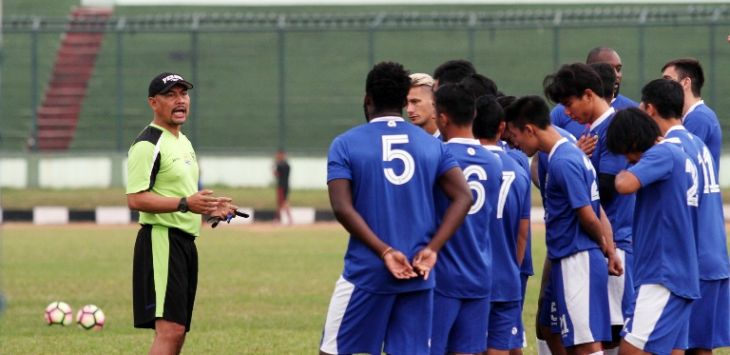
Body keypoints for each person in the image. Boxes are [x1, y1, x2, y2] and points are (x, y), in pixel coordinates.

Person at [319, 62, 472, 355]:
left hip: (367, 270)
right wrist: (433, 248)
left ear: (368, 99)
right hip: (418, 270)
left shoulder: (345, 144)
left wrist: (385, 252)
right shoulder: (431, 145)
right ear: (404, 101)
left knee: (333, 349)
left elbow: (341, 206)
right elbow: (464, 197)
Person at [127, 72, 239, 355]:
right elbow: (136, 198)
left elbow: (184, 196)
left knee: (178, 332)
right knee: (169, 331)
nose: (180, 101)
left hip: (186, 243)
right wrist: (185, 204)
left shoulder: (183, 141)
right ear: (153, 102)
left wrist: (213, 209)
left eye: (183, 94)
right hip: (162, 240)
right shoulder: (147, 144)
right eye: (170, 95)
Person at [504, 95, 621, 355]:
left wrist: (605, 249)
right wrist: (609, 249)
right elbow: (598, 209)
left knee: (586, 343)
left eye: (515, 135)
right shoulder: (570, 152)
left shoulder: (563, 160)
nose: (515, 144)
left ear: (530, 129)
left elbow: (589, 215)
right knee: (559, 331)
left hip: (577, 257)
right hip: (571, 257)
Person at [544, 63, 636, 353]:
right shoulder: (590, 131)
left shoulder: (614, 128)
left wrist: (577, 165)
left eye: (569, 104)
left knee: (611, 333)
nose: (567, 113)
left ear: (588, 94)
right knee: (580, 330)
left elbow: (609, 187)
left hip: (613, 240)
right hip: (593, 242)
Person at [638, 79, 730, 355]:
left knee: (674, 345)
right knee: (697, 345)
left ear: (651, 108)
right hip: (713, 255)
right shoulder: (697, 143)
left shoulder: (674, 145)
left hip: (694, 259)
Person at [605, 108, 700, 355]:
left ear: (634, 141)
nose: (628, 160)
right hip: (675, 272)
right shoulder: (674, 153)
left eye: (626, 153)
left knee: (631, 349)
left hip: (663, 273)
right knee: (672, 350)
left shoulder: (661, 153)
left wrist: (621, 172)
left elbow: (625, 185)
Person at [428, 84, 502, 355]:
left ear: (443, 117)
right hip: (480, 272)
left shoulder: (438, 156)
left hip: (443, 274)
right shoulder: (494, 162)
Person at [473, 95, 531, 355]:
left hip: (469, 277)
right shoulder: (519, 168)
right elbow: (522, 232)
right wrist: (512, 268)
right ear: (501, 128)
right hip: (506, 278)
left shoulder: (461, 164)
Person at [550, 47, 638, 142]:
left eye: (618, 69)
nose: (616, 75)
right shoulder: (560, 112)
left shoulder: (633, 112)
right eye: (608, 69)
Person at [661, 57, 722, 167]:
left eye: (668, 80)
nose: (662, 86)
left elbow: (680, 161)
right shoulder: (693, 115)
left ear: (685, 83)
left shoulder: (698, 117)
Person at [407, 73, 441, 138]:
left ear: (434, 102)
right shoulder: (407, 142)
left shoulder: (451, 142)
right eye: (406, 103)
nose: (409, 110)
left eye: (415, 102)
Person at [273, 149, 292, 225]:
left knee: (280, 203)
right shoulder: (287, 165)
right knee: (284, 202)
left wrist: (273, 169)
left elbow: (277, 175)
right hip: (287, 185)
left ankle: (277, 219)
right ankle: (289, 219)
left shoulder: (279, 165)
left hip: (281, 186)